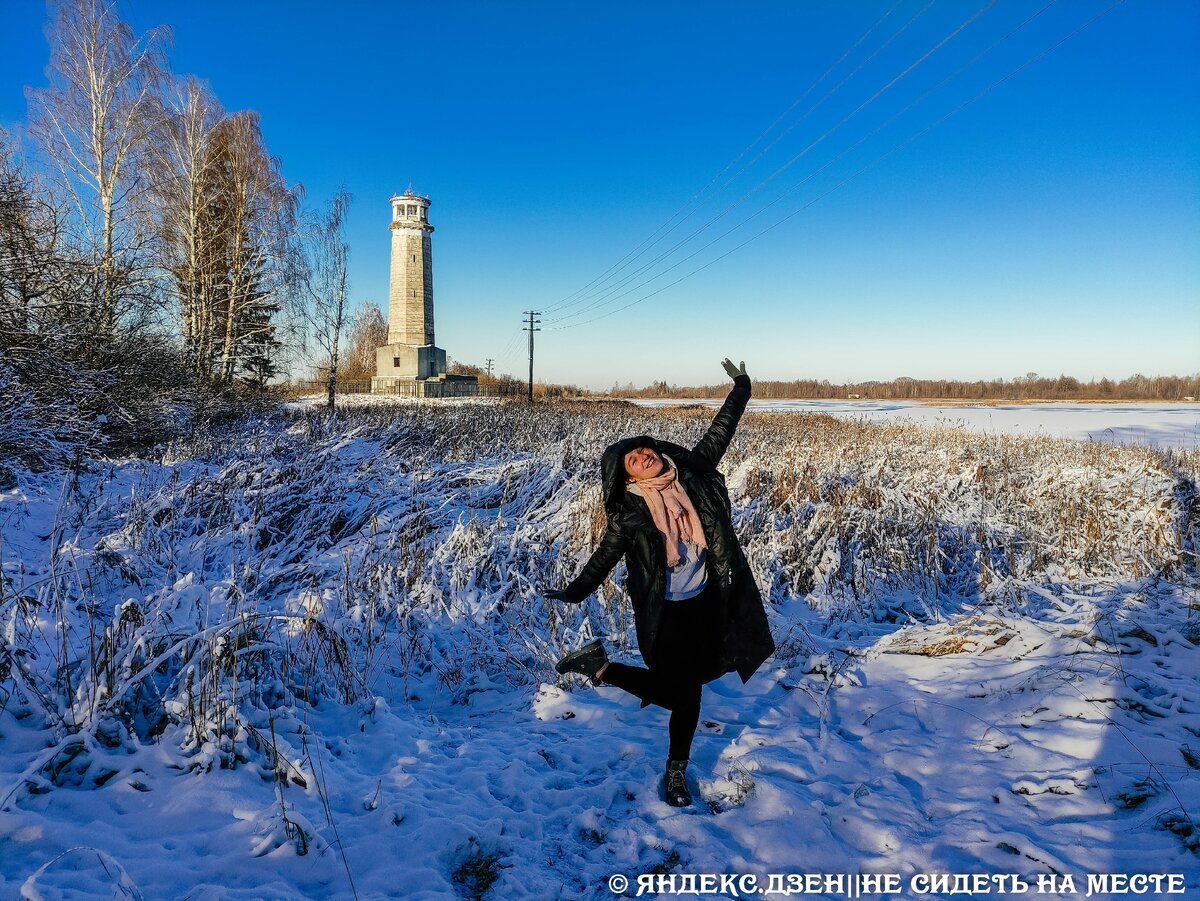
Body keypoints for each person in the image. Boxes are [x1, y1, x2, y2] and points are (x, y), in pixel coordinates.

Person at [544, 358, 775, 808]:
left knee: (685, 690)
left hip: (707, 602)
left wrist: (741, 388)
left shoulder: (690, 475)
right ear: (629, 477)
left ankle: (601, 668)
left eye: (644, 450)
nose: (644, 456)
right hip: (666, 614)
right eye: (634, 459)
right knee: (685, 695)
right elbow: (603, 559)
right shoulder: (630, 514)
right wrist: (574, 590)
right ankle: (675, 773)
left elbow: (718, 434)